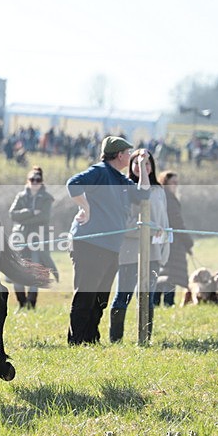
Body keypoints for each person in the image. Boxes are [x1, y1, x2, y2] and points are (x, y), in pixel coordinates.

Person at [66, 136, 150, 345]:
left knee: (100, 298)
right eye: (128, 153)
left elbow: (143, 194)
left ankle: (91, 339)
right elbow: (73, 184)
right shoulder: (100, 171)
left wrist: (141, 165)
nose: (130, 156)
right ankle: (76, 341)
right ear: (119, 155)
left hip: (110, 247)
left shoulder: (120, 179)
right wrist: (85, 207)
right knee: (86, 295)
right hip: (89, 244)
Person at [109, 150, 170, 343]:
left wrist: (164, 246)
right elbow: (124, 223)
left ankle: (145, 338)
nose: (142, 167)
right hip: (129, 252)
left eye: (146, 163)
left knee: (147, 297)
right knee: (123, 296)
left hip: (152, 252)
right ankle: (115, 339)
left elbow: (164, 221)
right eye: (137, 163)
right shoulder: (125, 189)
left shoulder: (159, 191)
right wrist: (148, 229)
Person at [8, 166, 58, 310]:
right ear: (28, 180)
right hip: (20, 238)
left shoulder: (47, 198)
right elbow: (12, 214)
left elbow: (44, 217)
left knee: (36, 272)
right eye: (32, 179)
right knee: (17, 270)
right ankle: (21, 303)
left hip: (39, 239)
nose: (35, 182)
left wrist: (24, 218)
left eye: (38, 179)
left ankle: (31, 304)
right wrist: (30, 212)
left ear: (42, 181)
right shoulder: (21, 196)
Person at [154, 171, 194, 307]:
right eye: (173, 182)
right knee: (170, 274)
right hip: (172, 241)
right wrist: (188, 242)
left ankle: (155, 302)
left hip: (161, 240)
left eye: (177, 183)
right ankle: (168, 302)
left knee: (161, 273)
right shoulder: (169, 199)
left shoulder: (161, 197)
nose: (176, 185)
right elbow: (177, 222)